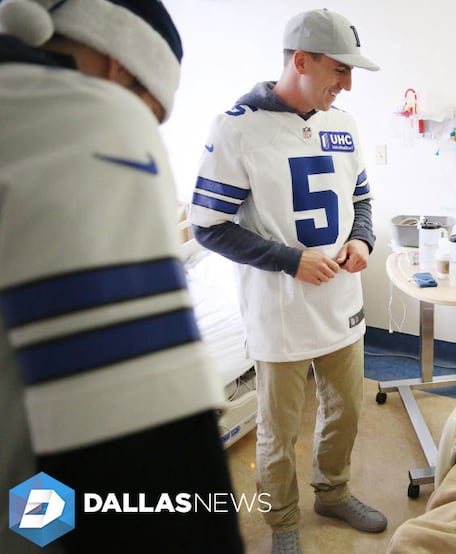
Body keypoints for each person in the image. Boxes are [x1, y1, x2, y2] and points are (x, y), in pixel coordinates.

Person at [0, 1, 244, 553]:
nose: (147, 125)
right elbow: (142, 453)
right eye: (152, 111)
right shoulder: (87, 115)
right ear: (120, 69)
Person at [187, 8, 383, 554]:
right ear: (301, 60)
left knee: (345, 410)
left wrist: (362, 241)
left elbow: (361, 200)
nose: (346, 85)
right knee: (278, 430)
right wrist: (288, 260)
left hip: (342, 302)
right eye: (339, 71)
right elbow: (207, 227)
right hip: (280, 310)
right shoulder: (236, 128)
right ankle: (282, 522)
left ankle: (333, 492)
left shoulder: (343, 124)